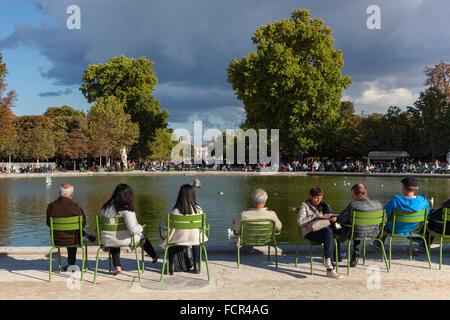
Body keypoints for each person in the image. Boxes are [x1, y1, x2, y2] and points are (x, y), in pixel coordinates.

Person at [100, 184, 159, 275]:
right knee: (142, 237)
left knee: (114, 240)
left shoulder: (105, 207)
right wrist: (140, 227)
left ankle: (117, 266)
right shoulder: (126, 209)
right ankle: (154, 256)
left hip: (108, 240)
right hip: (125, 240)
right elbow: (133, 230)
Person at [374, 177, 430, 252]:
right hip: (410, 229)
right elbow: (427, 216)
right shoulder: (423, 201)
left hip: (393, 229)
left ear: (403, 187)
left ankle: (379, 242)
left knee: (382, 222)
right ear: (415, 188)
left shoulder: (396, 200)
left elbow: (384, 214)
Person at [297, 185, 342, 279]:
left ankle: (329, 264)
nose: (318, 200)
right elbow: (300, 222)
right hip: (310, 232)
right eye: (316, 198)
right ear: (310, 196)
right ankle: (330, 268)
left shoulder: (324, 205)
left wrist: (333, 218)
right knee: (330, 235)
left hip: (323, 232)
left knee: (329, 232)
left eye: (320, 198)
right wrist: (314, 216)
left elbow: (331, 213)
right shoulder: (304, 205)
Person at [162, 184, 207, 275]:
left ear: (180, 195)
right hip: (194, 239)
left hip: (178, 239)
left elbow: (170, 228)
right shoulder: (199, 210)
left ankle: (171, 267)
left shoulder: (175, 211)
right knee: (196, 241)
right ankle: (196, 266)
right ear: (193, 195)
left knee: (171, 243)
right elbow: (202, 227)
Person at [336, 183, 383, 267]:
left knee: (335, 228)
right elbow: (384, 220)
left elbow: (341, 219)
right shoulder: (378, 204)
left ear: (360, 195)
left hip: (356, 233)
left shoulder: (354, 205)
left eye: (353, 195)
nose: (352, 197)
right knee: (358, 227)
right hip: (374, 233)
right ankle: (356, 255)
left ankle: (337, 256)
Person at [46, 183, 86, 271]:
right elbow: (83, 224)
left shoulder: (51, 206)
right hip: (73, 240)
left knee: (71, 234)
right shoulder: (76, 207)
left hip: (57, 240)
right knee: (74, 235)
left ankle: (70, 264)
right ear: (71, 195)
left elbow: (48, 223)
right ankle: (71, 264)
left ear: (59, 192)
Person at [233, 188, 282, 253]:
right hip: (267, 241)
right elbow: (279, 228)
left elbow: (236, 229)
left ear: (253, 201)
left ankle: (248, 247)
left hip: (248, 241)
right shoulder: (272, 215)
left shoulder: (244, 215)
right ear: (265, 201)